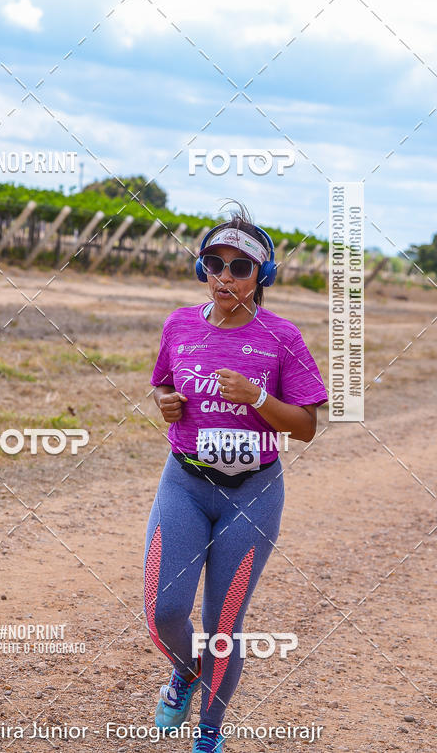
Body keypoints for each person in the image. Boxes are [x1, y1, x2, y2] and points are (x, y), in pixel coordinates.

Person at [143, 204, 328, 752]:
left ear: (261, 277)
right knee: (163, 611)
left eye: (239, 267)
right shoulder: (178, 324)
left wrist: (259, 398)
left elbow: (308, 427)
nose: (224, 275)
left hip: (253, 492)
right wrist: (167, 403)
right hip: (185, 482)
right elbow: (160, 383)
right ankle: (185, 670)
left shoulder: (283, 337)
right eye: (214, 262)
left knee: (224, 623)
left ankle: (209, 736)